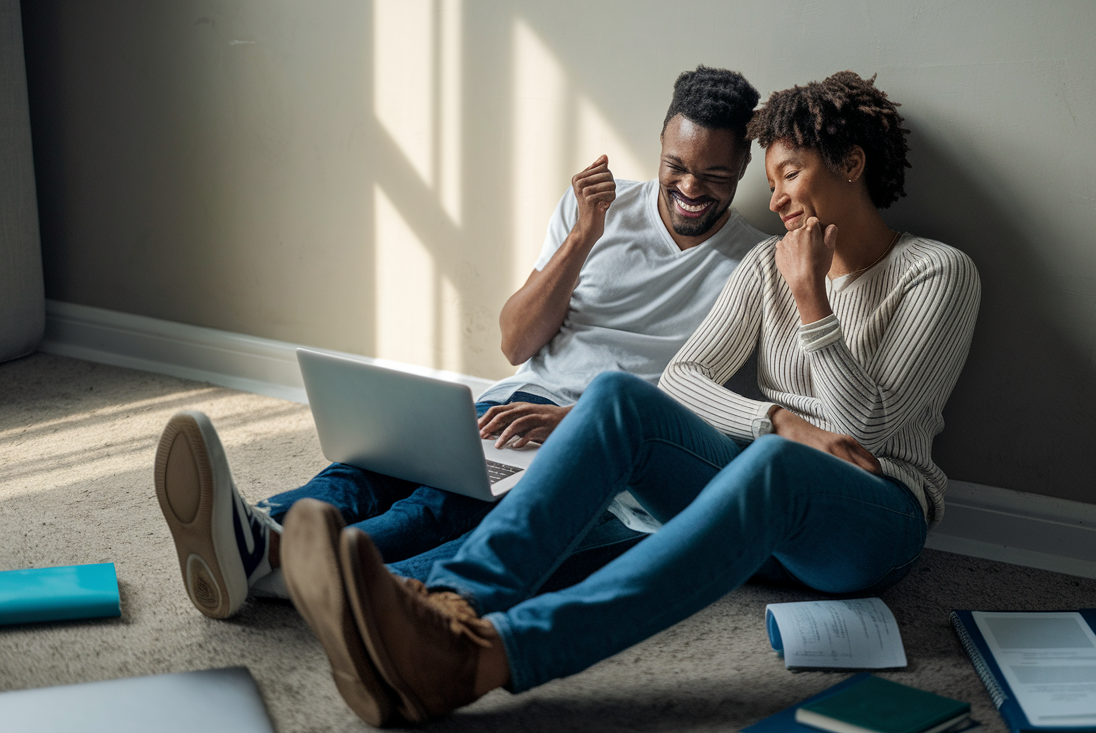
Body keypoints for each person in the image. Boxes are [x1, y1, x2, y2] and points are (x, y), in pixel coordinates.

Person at [281, 70, 982, 728]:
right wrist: (780, 419)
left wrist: (812, 301)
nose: (774, 203)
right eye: (769, 184)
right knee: (618, 398)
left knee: (771, 466)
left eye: (787, 175)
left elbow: (870, 427)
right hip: (768, 491)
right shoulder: (771, 261)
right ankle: (450, 608)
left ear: (851, 165)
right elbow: (682, 379)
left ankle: (488, 659)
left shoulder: (937, 272)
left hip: (871, 514)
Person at [153, 66, 767, 621]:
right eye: (676, 167)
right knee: (373, 467)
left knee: (436, 507)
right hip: (519, 398)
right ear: (660, 147)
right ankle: (254, 529)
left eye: (714, 175)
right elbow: (515, 339)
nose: (690, 187)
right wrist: (583, 237)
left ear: (743, 167)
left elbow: (699, 406)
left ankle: (283, 564)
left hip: (602, 440)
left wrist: (579, 421)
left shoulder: (753, 266)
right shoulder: (599, 208)